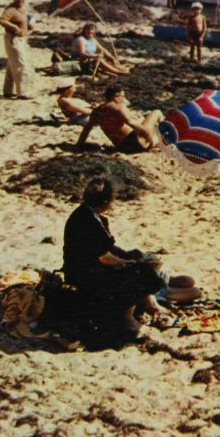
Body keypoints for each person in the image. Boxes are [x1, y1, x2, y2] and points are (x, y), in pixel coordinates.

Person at [62, 177, 168, 337]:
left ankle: (149, 303)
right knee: (138, 271)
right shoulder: (85, 221)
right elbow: (104, 257)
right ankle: (127, 318)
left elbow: (107, 247)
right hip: (84, 273)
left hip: (92, 267)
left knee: (141, 261)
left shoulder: (94, 217)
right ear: (104, 202)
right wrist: (127, 262)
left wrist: (128, 254)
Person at [77, 83, 163, 153]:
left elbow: (87, 129)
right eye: (122, 96)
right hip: (136, 143)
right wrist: (149, 138)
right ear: (116, 96)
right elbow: (132, 124)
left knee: (149, 129)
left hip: (121, 148)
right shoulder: (118, 107)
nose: (123, 99)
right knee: (156, 113)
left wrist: (79, 144)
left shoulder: (96, 111)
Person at [0, 0, 33, 99]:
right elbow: (2, 20)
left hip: (20, 38)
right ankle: (22, 92)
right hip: (13, 38)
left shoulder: (21, 9)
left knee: (12, 64)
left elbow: (23, 21)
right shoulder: (11, 10)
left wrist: (29, 26)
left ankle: (8, 90)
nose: (20, 1)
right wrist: (14, 27)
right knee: (20, 64)